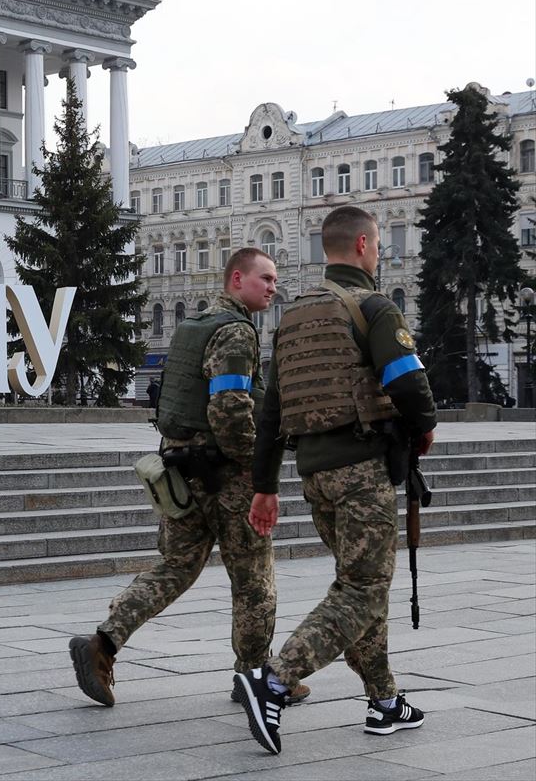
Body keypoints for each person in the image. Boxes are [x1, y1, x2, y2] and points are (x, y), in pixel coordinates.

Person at [234, 205, 437, 755]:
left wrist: (265, 484)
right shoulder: (371, 307)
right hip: (361, 468)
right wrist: (423, 431)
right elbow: (410, 385)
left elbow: (271, 411)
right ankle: (272, 680)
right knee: (365, 589)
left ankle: (385, 701)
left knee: (358, 585)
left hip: (314, 474)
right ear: (367, 247)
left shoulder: (294, 316)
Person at [69, 248, 309, 707]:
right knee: (254, 579)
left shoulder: (192, 328)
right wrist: (256, 472)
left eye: (275, 279)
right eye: (266, 278)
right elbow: (231, 408)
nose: (273, 287)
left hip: (182, 469)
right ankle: (255, 678)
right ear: (236, 279)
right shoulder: (235, 332)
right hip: (225, 475)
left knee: (176, 567)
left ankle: (104, 642)